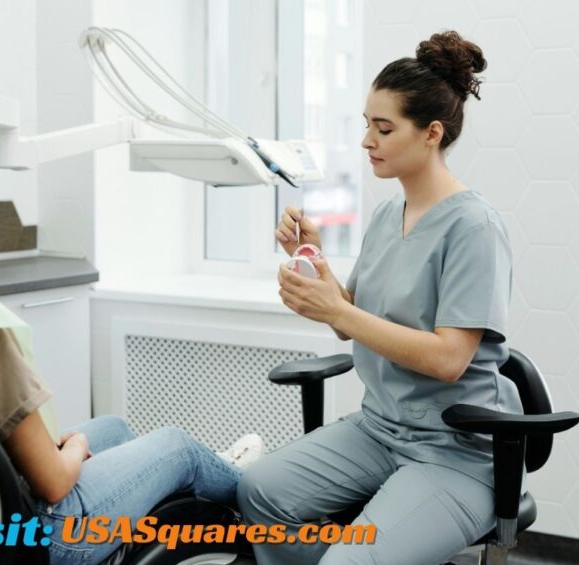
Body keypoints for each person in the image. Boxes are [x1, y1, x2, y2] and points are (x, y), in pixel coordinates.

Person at [0, 111, 255, 564]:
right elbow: (55, 484)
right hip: (34, 536)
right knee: (179, 448)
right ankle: (253, 490)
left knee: (115, 428)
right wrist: (74, 448)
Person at [238, 31, 525, 564]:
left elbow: (448, 359)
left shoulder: (473, 227)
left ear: (431, 134)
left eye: (384, 128)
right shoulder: (384, 216)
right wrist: (319, 268)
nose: (366, 141)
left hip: (454, 453)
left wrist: (338, 308)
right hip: (379, 429)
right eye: (366, 125)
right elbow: (352, 324)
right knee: (257, 492)